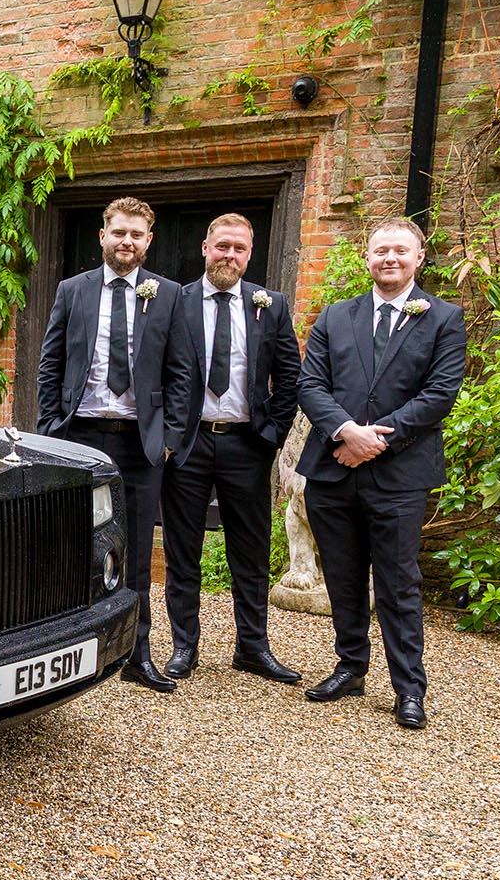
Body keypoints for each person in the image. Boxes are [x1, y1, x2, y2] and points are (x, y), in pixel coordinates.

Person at [294, 215, 466, 729]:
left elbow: (439, 394)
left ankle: (408, 687)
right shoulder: (336, 316)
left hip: (399, 476)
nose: (389, 258)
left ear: (419, 258)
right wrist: (347, 431)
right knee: (342, 576)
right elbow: (310, 384)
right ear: (367, 258)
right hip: (333, 469)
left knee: (398, 582)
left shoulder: (444, 318)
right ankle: (350, 667)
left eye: (400, 251)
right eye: (380, 251)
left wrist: (374, 442)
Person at [36, 196, 194, 693]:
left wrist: (169, 439)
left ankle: (136, 654)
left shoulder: (168, 295)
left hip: (139, 444)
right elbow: (51, 363)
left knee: (137, 553)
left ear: (149, 241)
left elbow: (182, 372)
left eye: (136, 234)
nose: (127, 241)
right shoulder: (72, 290)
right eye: (119, 232)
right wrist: (50, 431)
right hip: (80, 436)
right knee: (70, 544)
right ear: (102, 236)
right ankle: (63, 651)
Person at [162, 213, 301, 684]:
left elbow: (290, 376)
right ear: (205, 248)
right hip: (189, 444)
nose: (230, 255)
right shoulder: (175, 302)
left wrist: (271, 435)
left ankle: (252, 647)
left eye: (239, 248)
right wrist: (167, 437)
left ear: (249, 253)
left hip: (247, 443)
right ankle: (185, 645)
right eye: (222, 246)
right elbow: (157, 371)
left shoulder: (271, 305)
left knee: (251, 549)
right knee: (183, 548)